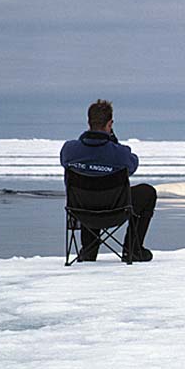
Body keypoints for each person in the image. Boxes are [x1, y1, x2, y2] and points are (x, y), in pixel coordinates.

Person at [60, 99, 156, 262]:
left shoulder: (69, 149)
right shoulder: (120, 153)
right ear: (110, 124)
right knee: (147, 192)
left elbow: (67, 159)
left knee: (90, 193)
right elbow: (132, 165)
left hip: (82, 211)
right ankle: (133, 249)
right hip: (116, 210)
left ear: (88, 122)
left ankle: (89, 250)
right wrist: (112, 141)